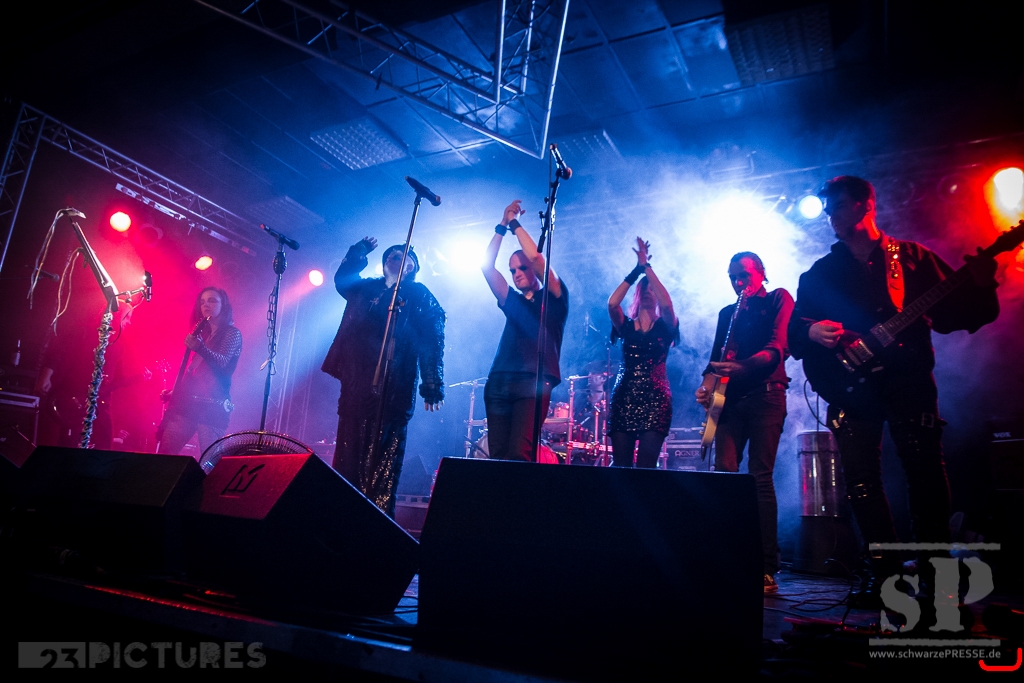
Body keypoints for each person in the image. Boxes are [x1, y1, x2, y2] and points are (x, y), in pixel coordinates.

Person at [787, 175, 1000, 607]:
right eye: (827, 209)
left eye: (838, 206)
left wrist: (983, 282)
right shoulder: (821, 272)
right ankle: (884, 575)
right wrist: (812, 331)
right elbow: (795, 329)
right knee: (861, 481)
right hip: (851, 388)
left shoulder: (913, 258)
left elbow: (955, 316)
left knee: (926, 474)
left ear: (866, 205)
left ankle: (935, 576)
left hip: (908, 381)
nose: (830, 216)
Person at [322, 238, 445, 517]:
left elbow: (432, 338)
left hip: (394, 385)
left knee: (383, 458)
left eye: (402, 256)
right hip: (357, 382)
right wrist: (357, 253)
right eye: (391, 254)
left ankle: (376, 521)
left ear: (412, 266)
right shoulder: (366, 288)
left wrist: (432, 383)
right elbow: (342, 281)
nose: (395, 257)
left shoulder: (419, 294)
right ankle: (341, 515)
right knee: (349, 451)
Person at [696, 252, 794, 594]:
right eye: (732, 277)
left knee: (759, 476)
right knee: (724, 474)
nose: (738, 283)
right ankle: (728, 558)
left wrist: (743, 368)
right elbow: (715, 360)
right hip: (730, 401)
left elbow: (776, 348)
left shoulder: (778, 299)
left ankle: (766, 567)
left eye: (744, 276)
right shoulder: (728, 313)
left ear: (761, 273)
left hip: (767, 395)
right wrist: (705, 387)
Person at [481, 200, 569, 462]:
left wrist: (515, 222)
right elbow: (487, 267)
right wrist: (501, 225)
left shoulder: (554, 297)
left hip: (533, 382)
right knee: (497, 456)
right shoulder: (513, 301)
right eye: (512, 271)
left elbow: (536, 257)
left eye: (522, 268)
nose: (516, 273)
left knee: (520, 454)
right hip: (499, 381)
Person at [607, 237, 678, 468]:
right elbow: (612, 304)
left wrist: (647, 267)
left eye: (651, 289)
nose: (648, 292)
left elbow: (667, 305)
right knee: (622, 467)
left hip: (656, 399)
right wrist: (636, 271)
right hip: (624, 397)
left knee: (646, 467)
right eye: (643, 288)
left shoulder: (666, 325)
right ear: (637, 294)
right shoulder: (626, 326)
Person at [158, 287, 242, 457]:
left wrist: (200, 348)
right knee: (166, 455)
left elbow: (222, 362)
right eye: (203, 302)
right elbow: (195, 372)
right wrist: (178, 391)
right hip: (188, 404)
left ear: (223, 305)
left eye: (212, 300)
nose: (206, 305)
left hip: (213, 406)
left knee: (209, 461)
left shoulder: (232, 333)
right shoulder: (204, 334)